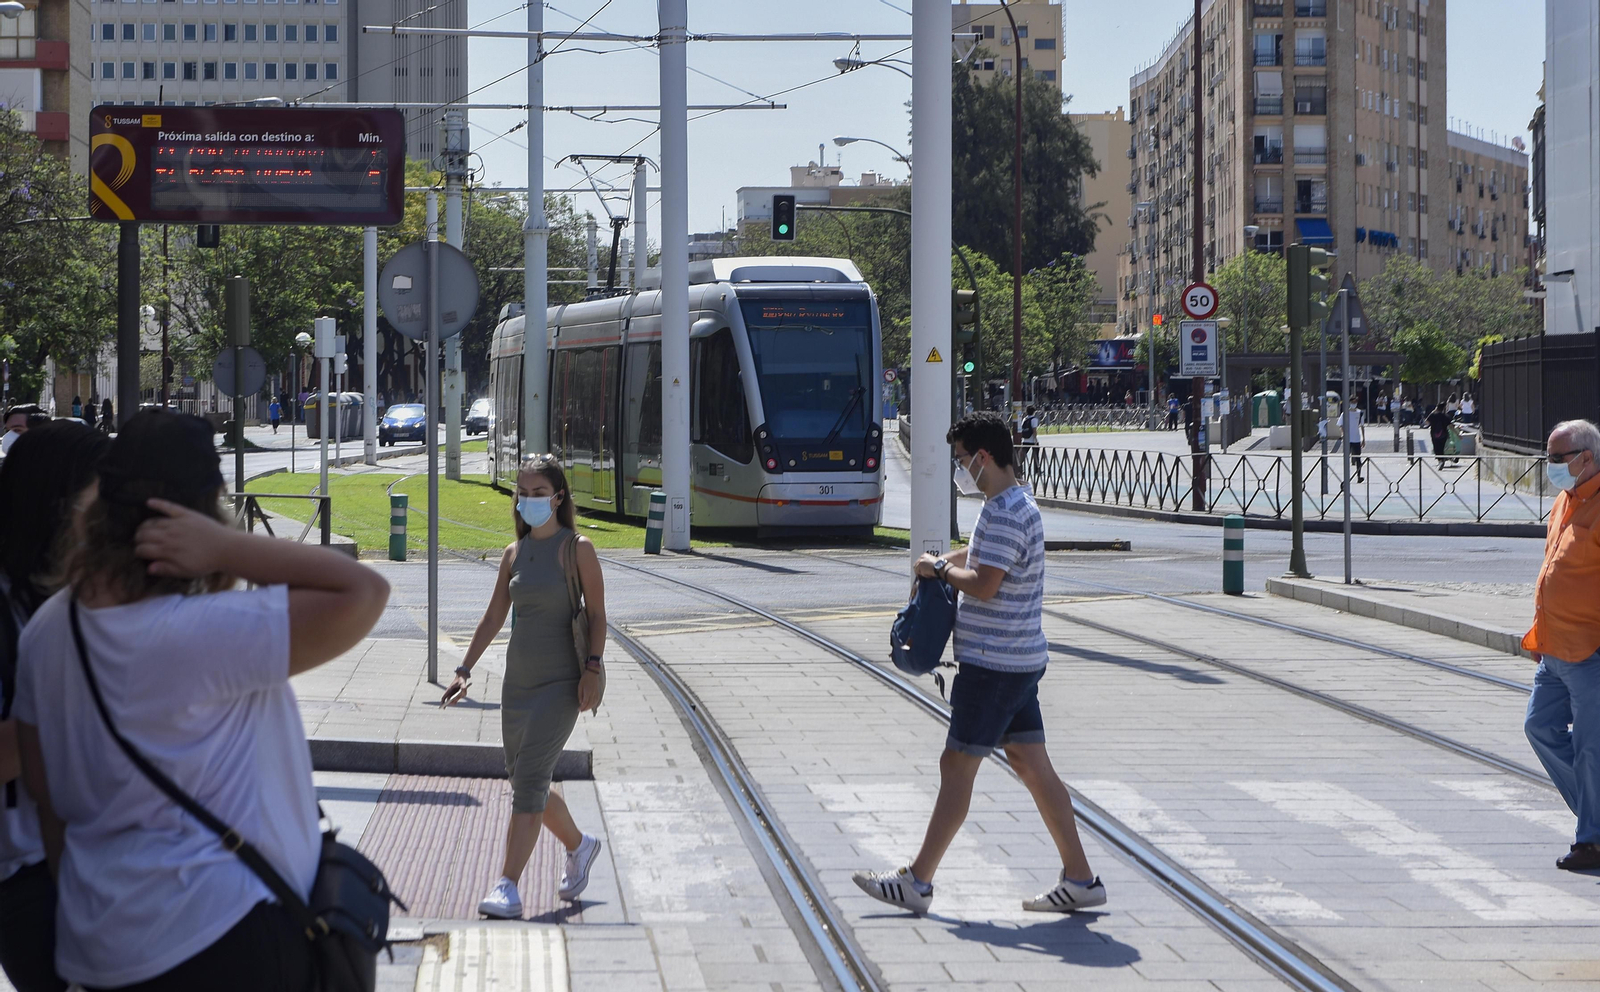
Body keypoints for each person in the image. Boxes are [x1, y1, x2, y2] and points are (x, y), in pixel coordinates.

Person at [13, 410, 390, 991]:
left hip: (102, 946)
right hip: (227, 934)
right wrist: (227, 548)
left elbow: (50, 803)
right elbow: (364, 590)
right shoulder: (202, 632)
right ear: (203, 514)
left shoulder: (48, 631)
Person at [852, 412, 1103, 915]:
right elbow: (985, 554)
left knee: (957, 763)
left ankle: (917, 882)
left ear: (984, 458)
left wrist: (942, 569)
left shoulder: (1006, 511)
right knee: (1032, 765)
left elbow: (985, 583)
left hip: (995, 667)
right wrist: (948, 556)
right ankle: (1080, 878)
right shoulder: (1009, 503)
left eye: (962, 460)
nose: (960, 469)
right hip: (1018, 660)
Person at [442, 454, 606, 919]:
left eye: (538, 493)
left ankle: (507, 886)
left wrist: (592, 669)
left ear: (557, 498)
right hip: (518, 684)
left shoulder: (578, 549)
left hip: (562, 684)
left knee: (530, 779)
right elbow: (494, 616)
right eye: (522, 492)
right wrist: (465, 669)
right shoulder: (514, 554)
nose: (528, 500)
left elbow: (597, 616)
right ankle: (580, 845)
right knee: (524, 780)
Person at [0, 422, 110, 992]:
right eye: (100, 501)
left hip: (81, 862)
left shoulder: (70, 599)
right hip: (28, 876)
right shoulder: (9, 610)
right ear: (58, 507)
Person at [1522, 420, 1600, 871]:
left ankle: (1591, 839)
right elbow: (1553, 569)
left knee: (1591, 747)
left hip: (1590, 652)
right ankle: (1596, 820)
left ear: (1586, 458)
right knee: (1539, 728)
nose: (1549, 466)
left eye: (1557, 458)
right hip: (1553, 650)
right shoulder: (1562, 502)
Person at [1343, 401, 1366, 484]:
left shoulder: (1360, 413)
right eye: (1352, 402)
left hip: (1356, 439)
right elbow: (1340, 425)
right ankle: (1346, 477)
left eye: (1355, 402)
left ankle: (1359, 476)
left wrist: (1363, 438)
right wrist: (1343, 435)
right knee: (1346, 458)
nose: (1354, 404)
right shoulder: (1345, 413)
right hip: (1348, 439)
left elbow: (1362, 426)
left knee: (1358, 458)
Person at [1426, 402, 1452, 468]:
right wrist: (1458, 435)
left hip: (1434, 434)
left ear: (1437, 408)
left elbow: (1426, 422)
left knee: (1436, 448)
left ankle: (1440, 461)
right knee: (1441, 447)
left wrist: (1433, 411)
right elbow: (1451, 426)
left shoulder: (1433, 415)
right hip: (1443, 434)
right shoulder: (1445, 416)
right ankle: (1441, 460)